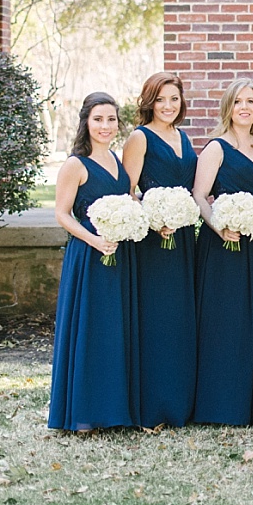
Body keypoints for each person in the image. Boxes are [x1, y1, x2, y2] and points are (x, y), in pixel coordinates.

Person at [49, 92, 135, 431]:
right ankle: (85, 412)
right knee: (90, 330)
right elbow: (61, 214)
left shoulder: (117, 160)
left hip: (119, 253)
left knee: (115, 330)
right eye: (98, 119)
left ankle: (113, 410)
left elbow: (128, 199)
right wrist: (94, 240)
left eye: (111, 119)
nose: (105, 125)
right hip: (89, 255)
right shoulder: (76, 164)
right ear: (86, 121)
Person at [121, 72, 198, 428]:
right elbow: (128, 190)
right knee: (157, 319)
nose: (168, 106)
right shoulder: (140, 137)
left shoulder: (183, 137)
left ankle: (179, 403)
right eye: (161, 99)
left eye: (174, 99)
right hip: (153, 241)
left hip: (182, 238)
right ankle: (153, 405)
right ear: (149, 102)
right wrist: (153, 219)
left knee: (180, 318)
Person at [191, 79, 253, 426]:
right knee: (225, 322)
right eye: (238, 101)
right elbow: (198, 195)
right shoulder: (216, 148)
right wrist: (220, 225)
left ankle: (251, 402)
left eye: (251, 101)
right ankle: (220, 404)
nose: (245, 107)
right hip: (224, 246)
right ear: (228, 107)